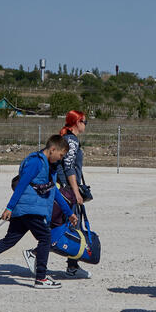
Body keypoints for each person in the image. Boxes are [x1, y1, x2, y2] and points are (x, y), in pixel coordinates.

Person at [0, 135, 77, 290]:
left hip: (27, 209)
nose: (60, 159)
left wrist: (69, 212)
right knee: (45, 237)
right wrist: (9, 207)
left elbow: (54, 192)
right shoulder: (36, 162)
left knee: (8, 241)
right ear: (53, 149)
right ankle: (41, 278)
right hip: (30, 209)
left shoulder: (48, 166)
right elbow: (22, 184)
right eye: (61, 155)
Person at [26, 110, 92, 279]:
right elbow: (69, 167)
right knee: (69, 225)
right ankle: (64, 263)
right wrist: (75, 191)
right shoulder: (72, 141)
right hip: (67, 190)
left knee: (67, 226)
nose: (86, 124)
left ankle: (72, 264)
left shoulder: (67, 140)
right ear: (76, 122)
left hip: (64, 188)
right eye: (84, 121)